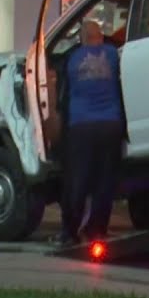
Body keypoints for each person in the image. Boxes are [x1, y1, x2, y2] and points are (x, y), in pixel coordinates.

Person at [54, 19, 126, 246]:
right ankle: (97, 230)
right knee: (105, 181)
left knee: (78, 180)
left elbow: (60, 92)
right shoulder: (113, 55)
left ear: (82, 39)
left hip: (81, 126)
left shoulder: (72, 60)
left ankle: (70, 232)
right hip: (110, 125)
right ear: (100, 36)